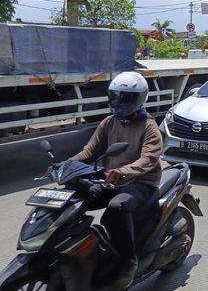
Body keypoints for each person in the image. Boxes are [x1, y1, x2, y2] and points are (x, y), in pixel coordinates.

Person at [67, 72, 163, 289]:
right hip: (111, 181)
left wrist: (122, 171)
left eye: (127, 98)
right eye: (117, 97)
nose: (120, 102)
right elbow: (89, 151)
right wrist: (65, 165)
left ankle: (128, 261)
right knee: (73, 200)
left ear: (139, 99)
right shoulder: (109, 122)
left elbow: (148, 159)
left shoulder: (149, 126)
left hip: (141, 184)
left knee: (116, 208)